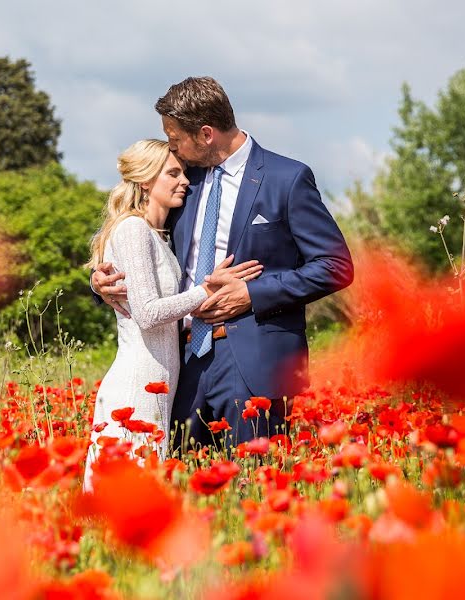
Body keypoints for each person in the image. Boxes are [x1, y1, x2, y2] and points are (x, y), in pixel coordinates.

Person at [93, 76, 354, 452]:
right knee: (184, 487)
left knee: (253, 488)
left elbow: (334, 265)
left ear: (205, 133)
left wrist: (252, 293)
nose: (172, 148)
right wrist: (100, 282)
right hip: (181, 364)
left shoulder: (287, 179)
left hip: (252, 363)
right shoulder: (184, 182)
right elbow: (139, 243)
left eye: (175, 138)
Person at [83, 139, 262, 489]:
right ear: (146, 181)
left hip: (162, 380)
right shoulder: (133, 229)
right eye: (173, 173)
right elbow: (148, 314)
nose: (185, 181)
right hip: (138, 380)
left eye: (183, 173)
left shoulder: (157, 235)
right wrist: (207, 291)